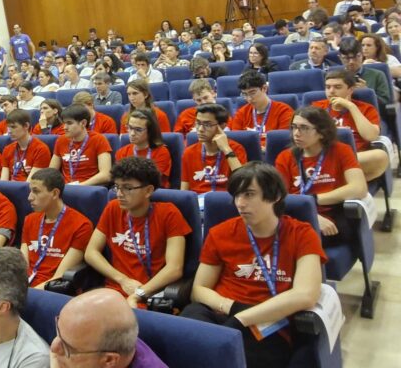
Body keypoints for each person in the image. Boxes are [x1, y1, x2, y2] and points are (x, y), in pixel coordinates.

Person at [181, 163, 324, 368]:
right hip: (221, 313)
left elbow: (305, 294)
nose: (240, 203)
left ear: (275, 196)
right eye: (237, 195)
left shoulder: (301, 234)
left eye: (249, 194)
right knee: (188, 330)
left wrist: (243, 318)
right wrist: (231, 307)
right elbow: (199, 289)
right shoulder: (220, 233)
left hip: (269, 322)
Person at [85, 157, 191, 307]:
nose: (119, 194)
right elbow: (91, 252)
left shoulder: (169, 214)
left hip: (150, 295)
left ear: (148, 190)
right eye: (117, 187)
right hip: (113, 291)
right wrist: (122, 280)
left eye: (127, 188)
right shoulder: (113, 208)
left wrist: (138, 294)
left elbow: (174, 268)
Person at [275, 106, 367, 245]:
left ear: (322, 133)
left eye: (304, 128)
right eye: (294, 127)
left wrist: (314, 200)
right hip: (297, 215)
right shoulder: (285, 157)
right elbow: (280, 198)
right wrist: (312, 215)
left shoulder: (341, 151)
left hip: (333, 214)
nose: (296, 133)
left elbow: (359, 188)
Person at [51, 288, 166, 368]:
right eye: (58, 331)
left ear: (109, 360)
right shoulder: (109, 341)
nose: (53, 348)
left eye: (66, 348)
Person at [21, 168, 93, 288]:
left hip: (51, 289)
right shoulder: (29, 220)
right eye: (30, 191)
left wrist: (29, 293)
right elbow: (22, 266)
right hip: (24, 285)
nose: (29, 197)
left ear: (55, 193)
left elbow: (59, 277)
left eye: (36, 191)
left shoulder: (81, 225)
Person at [312, 70, 389, 182]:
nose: (331, 91)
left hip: (355, 157)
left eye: (337, 87)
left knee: (380, 156)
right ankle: (348, 182)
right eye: (328, 87)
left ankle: (333, 181)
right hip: (324, 156)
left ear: (350, 90)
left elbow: (370, 136)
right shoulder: (316, 108)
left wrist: (351, 107)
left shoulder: (366, 109)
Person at [181, 104, 247, 195]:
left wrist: (226, 149)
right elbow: (184, 191)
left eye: (207, 124)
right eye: (198, 123)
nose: (200, 129)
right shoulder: (189, 152)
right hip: (197, 201)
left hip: (225, 199)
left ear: (222, 126)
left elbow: (243, 182)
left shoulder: (236, 149)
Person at [50, 105, 112, 186]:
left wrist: (79, 186)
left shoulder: (99, 139)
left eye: (69, 123)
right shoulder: (61, 140)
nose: (64, 127)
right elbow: (51, 171)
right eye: (64, 123)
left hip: (89, 187)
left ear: (83, 123)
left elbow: (106, 175)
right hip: (65, 188)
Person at [230, 71, 294, 149]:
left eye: (252, 93)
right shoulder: (241, 113)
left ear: (264, 88)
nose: (249, 99)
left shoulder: (284, 111)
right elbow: (236, 141)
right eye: (245, 94)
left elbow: (284, 141)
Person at [116, 109, 171, 188]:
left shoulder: (161, 152)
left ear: (150, 131)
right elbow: (119, 180)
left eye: (138, 130)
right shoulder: (122, 152)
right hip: (126, 191)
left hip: (154, 192)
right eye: (130, 127)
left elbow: (151, 181)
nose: (132, 133)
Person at [338, 37, 391, 106]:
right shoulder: (334, 77)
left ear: (362, 55)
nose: (351, 62)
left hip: (370, 111)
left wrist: (367, 92)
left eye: (356, 57)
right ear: (340, 58)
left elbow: (385, 102)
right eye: (346, 58)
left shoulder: (378, 75)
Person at [1, 110, 52, 181]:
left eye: (13, 127)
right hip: (10, 186)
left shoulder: (41, 149)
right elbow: (3, 182)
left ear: (26, 126)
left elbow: (31, 184)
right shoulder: (7, 149)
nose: (9, 131)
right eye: (8, 127)